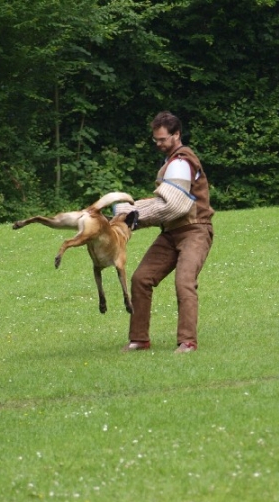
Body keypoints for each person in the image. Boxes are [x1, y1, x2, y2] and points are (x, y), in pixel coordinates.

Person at [114, 111, 214, 353]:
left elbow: (174, 206)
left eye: (162, 139)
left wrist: (134, 216)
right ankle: (139, 339)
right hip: (171, 233)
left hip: (195, 230)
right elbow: (165, 207)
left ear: (176, 135)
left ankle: (187, 342)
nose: (158, 144)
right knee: (141, 279)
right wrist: (123, 213)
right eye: (155, 139)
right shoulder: (170, 162)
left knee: (184, 282)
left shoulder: (182, 162)